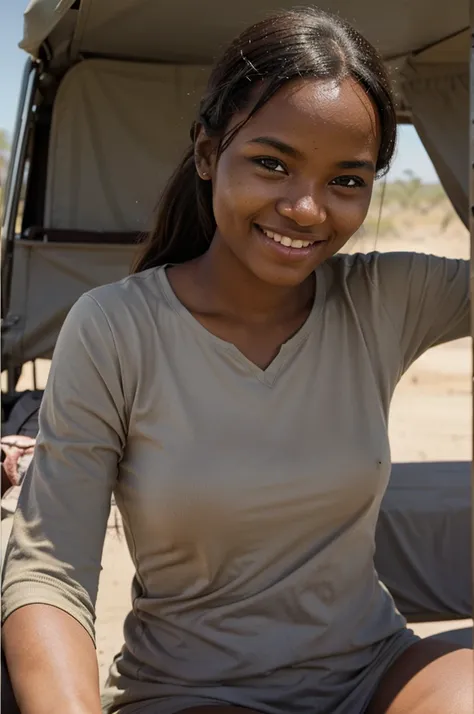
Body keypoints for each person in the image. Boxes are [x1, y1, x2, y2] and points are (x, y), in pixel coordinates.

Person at [1, 7, 472, 714]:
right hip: (194, 694)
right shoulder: (116, 327)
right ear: (205, 153)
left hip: (376, 675)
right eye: (272, 163)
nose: (307, 207)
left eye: (347, 180)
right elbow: (49, 570)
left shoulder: (384, 298)